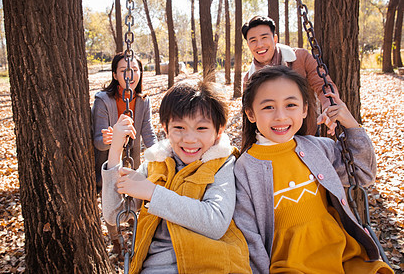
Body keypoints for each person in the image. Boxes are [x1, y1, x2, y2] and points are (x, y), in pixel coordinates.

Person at [234, 65, 393, 274]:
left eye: (290, 104)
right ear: (251, 114)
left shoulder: (317, 148)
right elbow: (249, 235)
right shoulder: (245, 168)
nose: (281, 116)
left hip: (342, 254)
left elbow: (363, 173)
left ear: (305, 109)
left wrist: (350, 123)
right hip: (290, 265)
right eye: (268, 107)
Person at [101, 80, 251, 273]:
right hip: (157, 267)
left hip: (211, 263)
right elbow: (114, 215)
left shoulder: (221, 164)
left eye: (201, 128)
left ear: (218, 131)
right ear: (165, 128)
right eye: (179, 128)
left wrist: (153, 193)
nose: (189, 139)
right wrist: (114, 152)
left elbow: (216, 222)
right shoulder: (156, 164)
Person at [91, 52, 157, 256]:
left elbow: (148, 132)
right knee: (110, 198)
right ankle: (115, 240)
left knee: (130, 195)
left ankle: (132, 233)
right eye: (124, 71)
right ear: (114, 74)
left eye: (135, 70)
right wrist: (110, 140)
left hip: (132, 159)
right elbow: (98, 141)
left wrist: (159, 155)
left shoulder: (142, 100)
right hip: (108, 160)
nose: (130, 75)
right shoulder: (103, 100)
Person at [241, 15, 339, 135]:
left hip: (306, 133)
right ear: (248, 45)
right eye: (253, 40)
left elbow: (323, 84)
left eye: (264, 37)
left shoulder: (300, 57)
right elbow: (250, 115)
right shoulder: (249, 79)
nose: (259, 45)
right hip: (272, 138)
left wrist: (329, 106)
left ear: (275, 39)